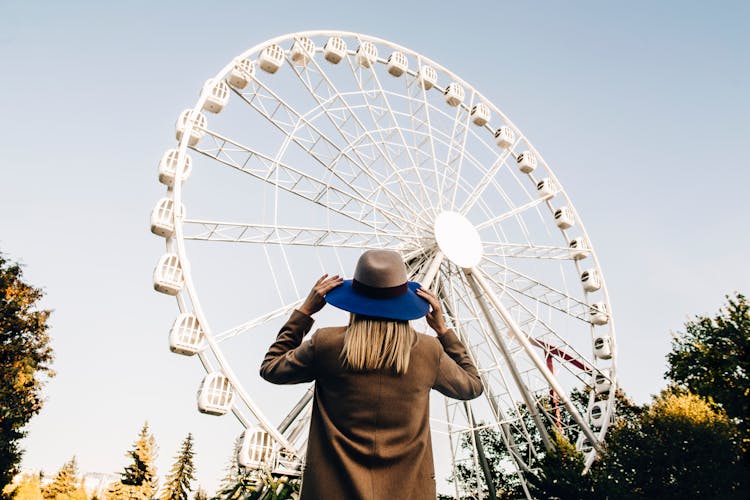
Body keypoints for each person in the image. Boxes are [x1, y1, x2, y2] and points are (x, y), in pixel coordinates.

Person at [260, 249, 483, 499]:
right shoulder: (427, 352)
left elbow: (271, 368)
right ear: (404, 302)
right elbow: (472, 386)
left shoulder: (326, 344)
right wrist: (444, 332)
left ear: (354, 299)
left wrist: (304, 312)